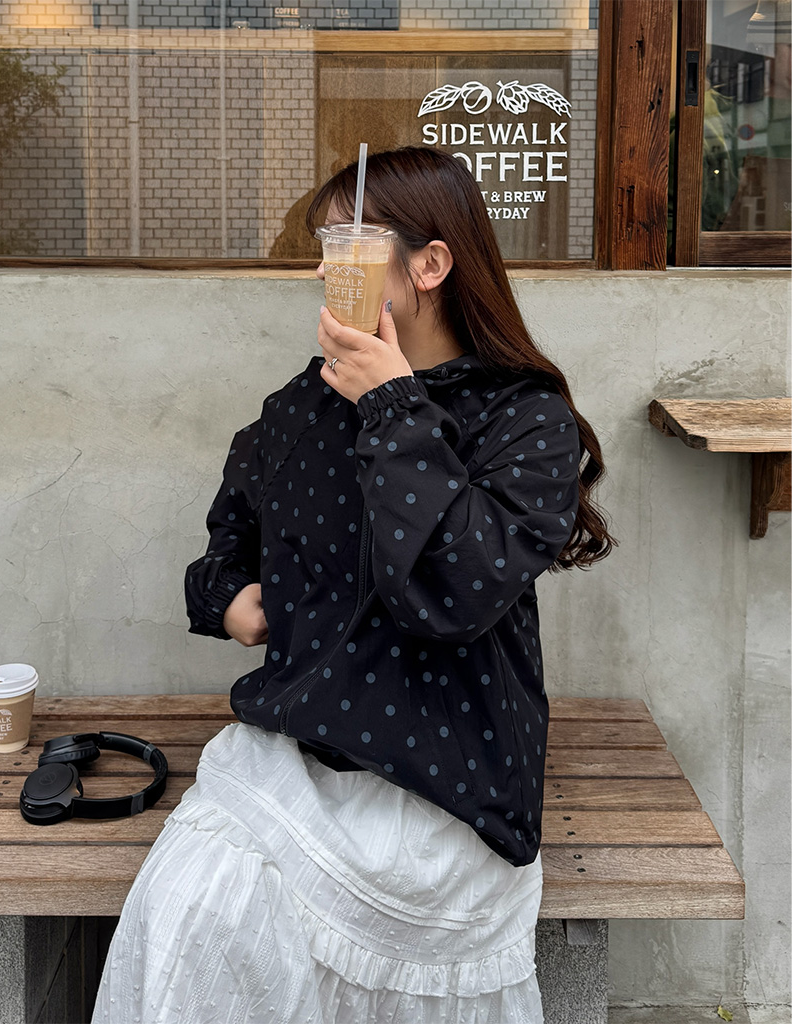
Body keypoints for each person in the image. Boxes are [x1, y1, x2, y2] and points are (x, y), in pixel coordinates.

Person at [92, 146, 615, 1024]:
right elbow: (229, 536)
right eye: (323, 248)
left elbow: (459, 590)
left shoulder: (524, 418)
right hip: (294, 757)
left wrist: (393, 404)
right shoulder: (301, 406)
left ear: (429, 266)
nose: (320, 270)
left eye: (345, 245)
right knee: (198, 911)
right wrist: (226, 597)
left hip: (452, 771)